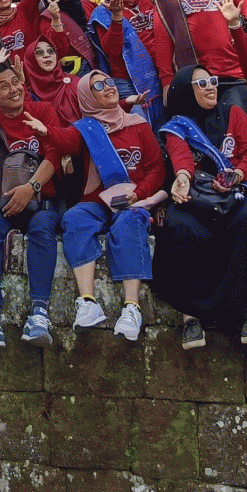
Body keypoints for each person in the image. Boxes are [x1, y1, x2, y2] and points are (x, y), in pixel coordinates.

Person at [154, 64, 247, 379]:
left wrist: (236, 173)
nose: (211, 87)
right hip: (196, 194)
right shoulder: (177, 125)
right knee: (180, 227)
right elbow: (181, 158)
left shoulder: (233, 113)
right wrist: (183, 177)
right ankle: (190, 318)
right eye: (201, 84)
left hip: (235, 190)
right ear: (186, 91)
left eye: (212, 81)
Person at [0, 58, 80, 351]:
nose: (14, 89)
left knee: (42, 229)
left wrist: (31, 188)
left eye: (16, 82)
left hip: (42, 199)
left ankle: (39, 313)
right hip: (3, 201)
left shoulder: (42, 111)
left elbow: (55, 154)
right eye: (4, 86)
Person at [58, 71, 166, 341]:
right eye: (98, 85)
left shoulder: (137, 124)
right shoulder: (86, 129)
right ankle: (88, 302)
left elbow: (156, 168)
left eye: (109, 82)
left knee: (129, 222)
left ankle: (132, 307)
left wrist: (138, 193)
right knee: (74, 218)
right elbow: (63, 141)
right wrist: (46, 132)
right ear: (87, 96)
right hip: (97, 202)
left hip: (134, 201)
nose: (108, 87)